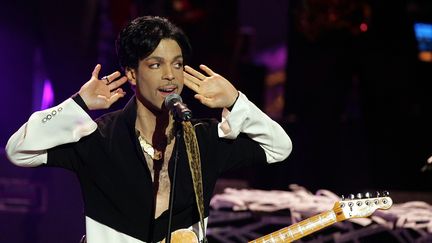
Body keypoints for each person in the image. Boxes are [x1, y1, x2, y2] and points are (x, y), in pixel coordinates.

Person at [5, 16, 292, 243]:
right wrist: (78, 104)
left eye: (177, 64)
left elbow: (279, 147)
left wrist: (235, 100)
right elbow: (19, 150)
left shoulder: (203, 139)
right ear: (131, 73)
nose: (170, 75)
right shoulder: (100, 139)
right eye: (156, 64)